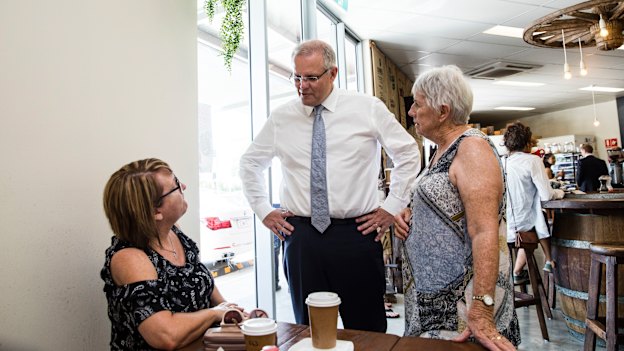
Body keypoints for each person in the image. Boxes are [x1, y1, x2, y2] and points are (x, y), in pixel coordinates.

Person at [239, 39, 420, 332]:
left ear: (333, 73)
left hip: (357, 235)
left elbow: (408, 153)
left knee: (367, 330)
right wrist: (263, 210)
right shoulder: (282, 118)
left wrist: (391, 207)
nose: (302, 86)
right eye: (296, 77)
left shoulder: (367, 108)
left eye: (311, 77)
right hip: (302, 239)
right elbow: (249, 164)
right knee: (308, 330)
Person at [393, 65, 519, 350]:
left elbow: (485, 233)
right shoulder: (441, 150)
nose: (411, 111)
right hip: (430, 302)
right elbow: (446, 203)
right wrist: (412, 214)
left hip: (462, 310)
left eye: (418, 103)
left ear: (443, 111)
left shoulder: (472, 148)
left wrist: (482, 310)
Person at [101, 158, 243, 350]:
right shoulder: (129, 258)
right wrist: (215, 313)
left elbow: (206, 288)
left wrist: (233, 313)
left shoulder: (174, 233)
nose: (183, 186)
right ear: (155, 211)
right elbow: (166, 335)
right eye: (176, 186)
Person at [502, 123, 565, 284]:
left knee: (535, 214)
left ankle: (534, 265)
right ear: (527, 142)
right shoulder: (532, 160)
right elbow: (546, 195)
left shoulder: (502, 162)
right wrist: (560, 192)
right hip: (523, 222)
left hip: (503, 224)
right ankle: (544, 262)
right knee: (537, 216)